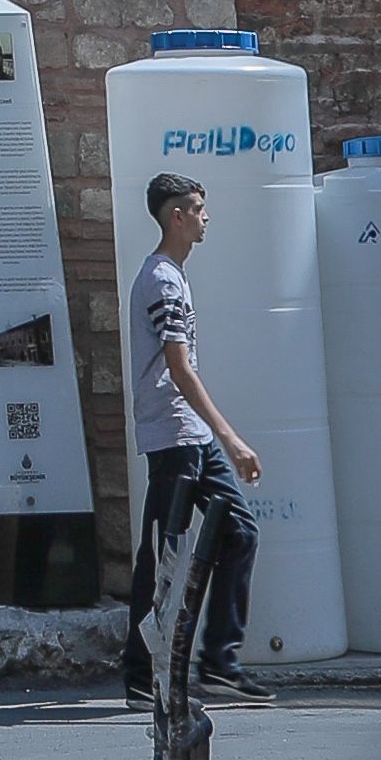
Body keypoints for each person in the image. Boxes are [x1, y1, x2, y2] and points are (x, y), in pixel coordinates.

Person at [121, 168, 261, 698]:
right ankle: (140, 674)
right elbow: (179, 369)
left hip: (193, 434)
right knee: (161, 556)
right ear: (176, 215)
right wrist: (232, 437)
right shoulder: (161, 279)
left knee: (240, 532)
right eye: (199, 209)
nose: (207, 218)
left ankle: (220, 663)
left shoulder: (173, 276)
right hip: (175, 435)